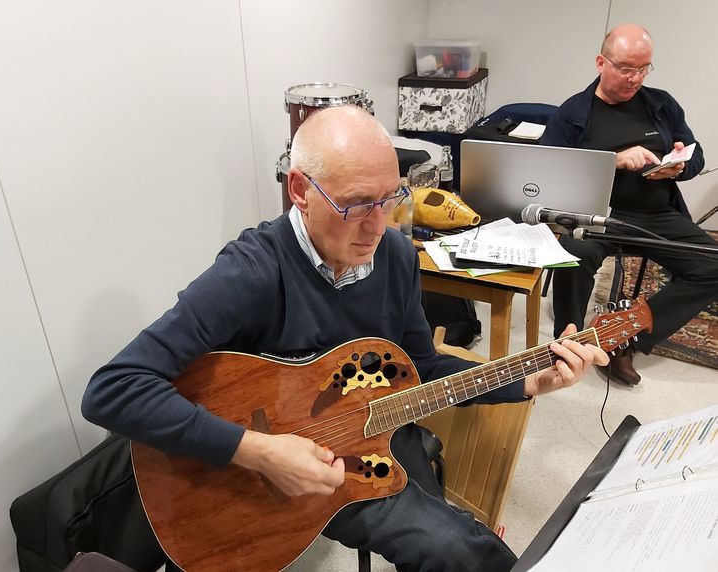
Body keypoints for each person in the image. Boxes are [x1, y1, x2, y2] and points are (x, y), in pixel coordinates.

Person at [82, 105, 608, 572]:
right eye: (356, 204)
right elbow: (113, 389)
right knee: (461, 549)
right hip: (261, 470)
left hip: (374, 436)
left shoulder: (398, 257)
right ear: (300, 191)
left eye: (390, 199)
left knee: (466, 550)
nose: (377, 225)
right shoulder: (251, 273)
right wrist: (259, 453)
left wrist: (525, 381)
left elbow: (421, 369)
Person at [541, 24, 718, 387]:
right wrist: (614, 160)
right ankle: (569, 342)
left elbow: (694, 155)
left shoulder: (662, 105)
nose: (635, 78)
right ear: (601, 63)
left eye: (643, 68)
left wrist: (681, 166)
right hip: (598, 214)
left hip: (657, 214)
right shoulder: (573, 112)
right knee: (574, 251)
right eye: (625, 68)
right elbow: (549, 172)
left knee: (713, 266)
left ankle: (622, 335)